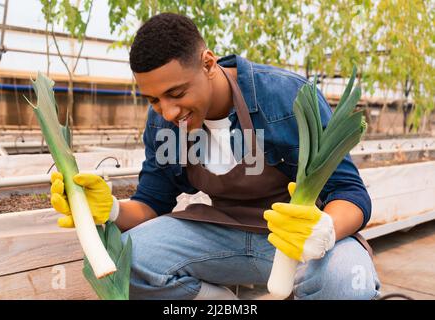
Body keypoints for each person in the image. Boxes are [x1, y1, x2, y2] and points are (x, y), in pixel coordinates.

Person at [50, 12, 381, 300]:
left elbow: (350, 194)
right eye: (153, 100)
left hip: (300, 240)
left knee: (346, 282)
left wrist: (323, 230)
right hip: (222, 232)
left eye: (176, 93)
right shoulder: (164, 124)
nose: (167, 112)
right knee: (123, 259)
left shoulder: (285, 97)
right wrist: (111, 209)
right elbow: (152, 202)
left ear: (208, 64)